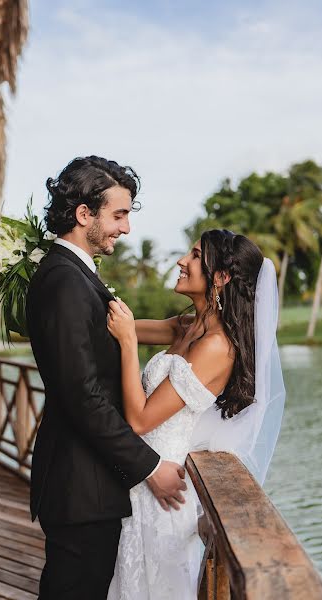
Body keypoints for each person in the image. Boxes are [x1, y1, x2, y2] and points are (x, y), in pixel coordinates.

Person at [25, 156, 186, 600]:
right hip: (81, 487)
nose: (126, 228)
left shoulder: (76, 276)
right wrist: (150, 467)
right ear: (83, 215)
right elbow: (83, 397)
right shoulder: (64, 282)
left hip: (90, 482)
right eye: (119, 215)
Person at [106, 229, 285, 599]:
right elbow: (111, 327)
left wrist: (127, 342)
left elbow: (139, 419)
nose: (181, 261)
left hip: (164, 489)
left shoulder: (217, 347)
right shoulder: (187, 326)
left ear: (220, 277)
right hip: (140, 477)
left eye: (194, 255)